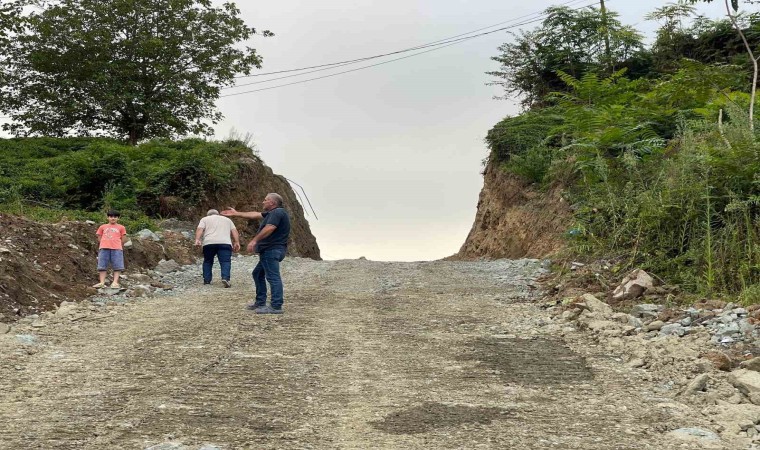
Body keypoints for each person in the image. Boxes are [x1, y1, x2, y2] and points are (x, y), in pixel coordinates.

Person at [222, 193, 290, 314]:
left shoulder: (277, 212)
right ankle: (260, 302)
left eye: (265, 200)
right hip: (271, 250)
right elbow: (255, 214)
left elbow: (270, 227)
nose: (263, 202)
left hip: (271, 250)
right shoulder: (272, 213)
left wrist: (254, 241)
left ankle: (276, 306)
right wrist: (236, 213)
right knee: (257, 274)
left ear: (272, 203)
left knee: (273, 277)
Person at [194, 209, 241, 287]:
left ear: (208, 215)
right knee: (225, 261)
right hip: (225, 243)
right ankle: (225, 278)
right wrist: (237, 242)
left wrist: (197, 239)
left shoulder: (205, 219)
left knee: (208, 261)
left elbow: (200, 229)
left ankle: (207, 280)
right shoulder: (227, 220)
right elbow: (234, 231)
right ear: (218, 214)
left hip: (209, 243)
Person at [93, 210, 128, 289]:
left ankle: (115, 282)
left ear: (118, 218)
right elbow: (99, 237)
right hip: (104, 248)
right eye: (111, 216)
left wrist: (118, 244)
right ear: (107, 217)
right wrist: (104, 243)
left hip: (117, 248)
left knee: (117, 265)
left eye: (115, 217)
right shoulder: (102, 227)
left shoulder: (121, 227)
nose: (113, 218)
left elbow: (124, 238)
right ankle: (102, 282)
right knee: (102, 265)